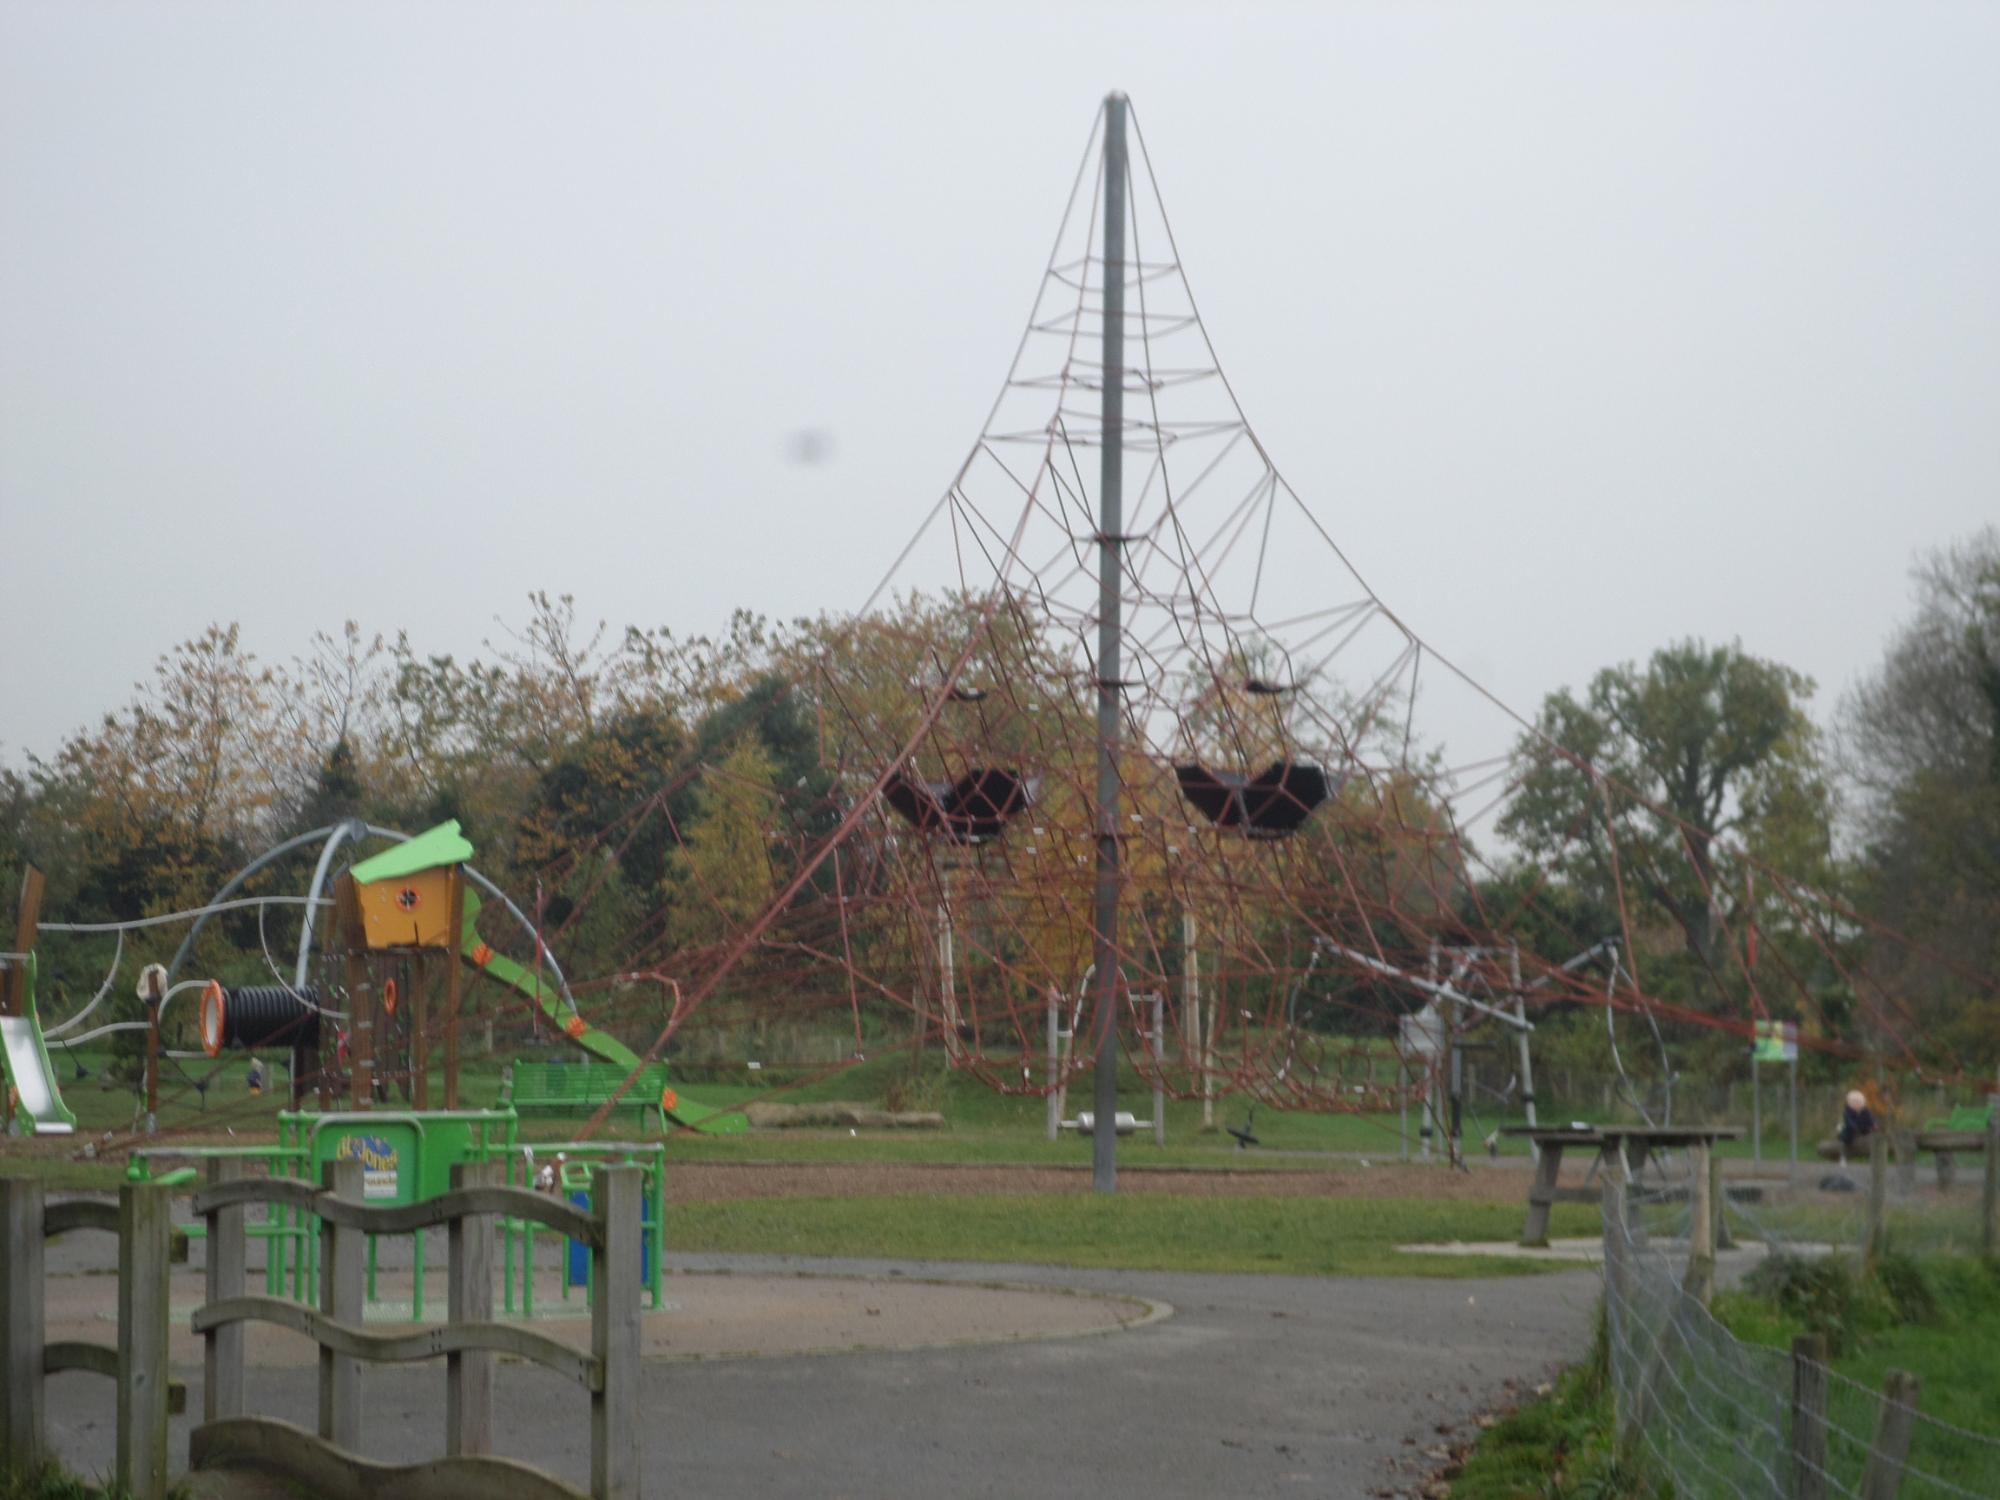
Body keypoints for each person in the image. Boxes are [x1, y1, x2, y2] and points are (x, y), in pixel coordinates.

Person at [1838, 1089, 1875, 1159]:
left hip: (1864, 1128)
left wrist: (1872, 1125)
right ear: (1849, 1103)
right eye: (1854, 1102)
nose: (1857, 1104)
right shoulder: (1847, 1112)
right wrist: (1854, 1128)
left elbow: (1870, 1120)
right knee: (1847, 1135)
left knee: (1871, 1134)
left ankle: (1870, 1152)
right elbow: (1849, 1121)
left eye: (1859, 1102)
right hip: (1852, 1129)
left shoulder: (1866, 1111)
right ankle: (1841, 1137)